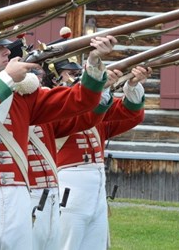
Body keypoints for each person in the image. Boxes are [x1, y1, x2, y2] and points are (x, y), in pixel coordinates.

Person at [0, 20, 116, 248]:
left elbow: (79, 102)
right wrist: (6, 78)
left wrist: (93, 63)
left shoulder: (24, 95)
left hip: (19, 195)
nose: (7, 51)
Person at [55, 59, 151, 250]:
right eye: (67, 74)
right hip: (68, 185)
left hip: (97, 186)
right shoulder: (54, 107)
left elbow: (131, 113)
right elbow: (82, 111)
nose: (72, 78)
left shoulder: (96, 110)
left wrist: (131, 83)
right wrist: (101, 88)